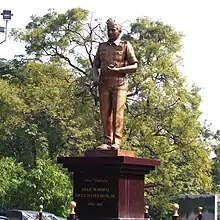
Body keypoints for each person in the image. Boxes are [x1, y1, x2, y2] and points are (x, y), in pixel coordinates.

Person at [92, 18, 138, 150]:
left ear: (119, 31)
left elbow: (134, 66)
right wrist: (95, 78)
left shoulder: (125, 45)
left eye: (113, 30)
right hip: (104, 84)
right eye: (109, 30)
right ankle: (107, 140)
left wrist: (119, 70)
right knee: (105, 113)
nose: (111, 32)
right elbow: (95, 65)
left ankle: (116, 142)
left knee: (118, 112)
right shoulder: (102, 47)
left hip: (120, 84)